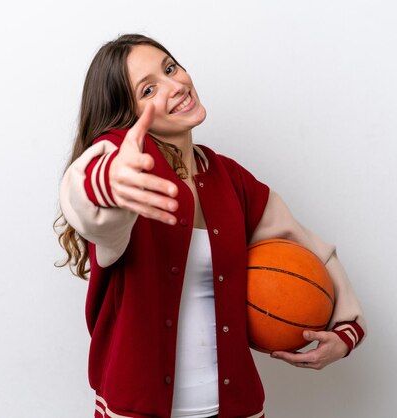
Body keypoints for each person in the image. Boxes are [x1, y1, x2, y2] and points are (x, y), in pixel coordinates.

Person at [55, 34, 366, 418]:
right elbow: (83, 195)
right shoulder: (127, 169)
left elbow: (308, 247)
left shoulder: (228, 178)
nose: (176, 86)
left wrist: (346, 330)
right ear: (127, 116)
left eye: (171, 68)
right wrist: (110, 181)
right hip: (135, 409)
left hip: (237, 409)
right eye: (149, 88)